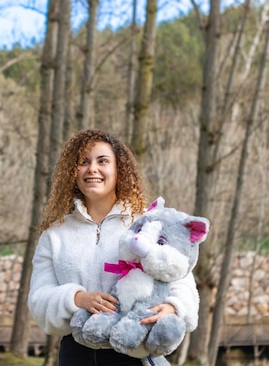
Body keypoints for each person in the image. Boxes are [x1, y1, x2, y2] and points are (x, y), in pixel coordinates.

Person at [28, 129, 199, 366]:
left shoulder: (148, 224)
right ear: (72, 171)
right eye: (83, 162)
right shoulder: (55, 234)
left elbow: (183, 281)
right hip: (76, 354)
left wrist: (174, 307)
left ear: (119, 170)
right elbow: (38, 300)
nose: (92, 169)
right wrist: (76, 298)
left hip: (137, 352)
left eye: (103, 161)